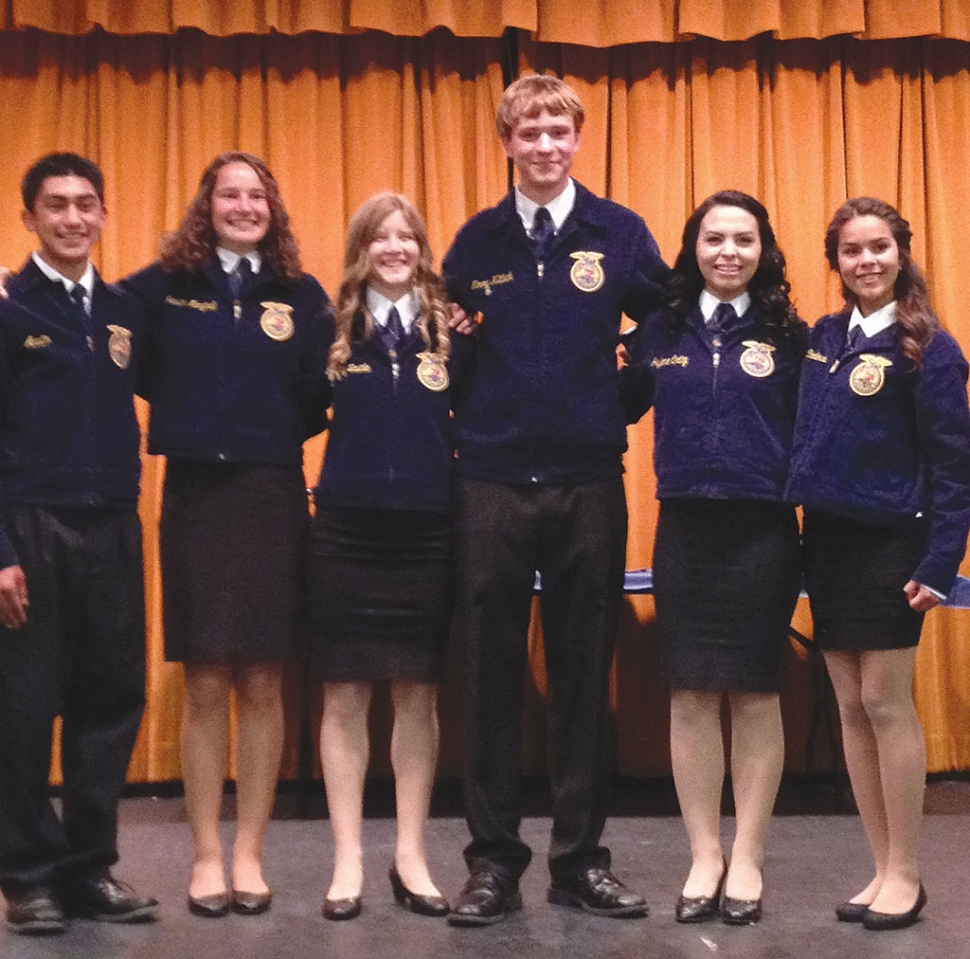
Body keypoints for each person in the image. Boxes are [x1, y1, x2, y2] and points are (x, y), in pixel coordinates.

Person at [441, 73, 668, 926]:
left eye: (557, 133)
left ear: (578, 139)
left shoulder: (619, 233)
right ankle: (493, 863)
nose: (543, 147)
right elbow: (448, 351)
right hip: (491, 481)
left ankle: (580, 860)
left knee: (583, 675)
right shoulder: (477, 242)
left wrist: (625, 395)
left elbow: (666, 319)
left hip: (586, 481)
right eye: (527, 133)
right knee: (490, 676)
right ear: (506, 141)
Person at [123, 152, 331, 918]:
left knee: (264, 681)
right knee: (207, 678)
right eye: (228, 194)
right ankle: (206, 853)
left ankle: (251, 851)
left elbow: (318, 396)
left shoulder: (302, 296)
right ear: (205, 205)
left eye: (255, 195)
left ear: (272, 207)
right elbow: (107, 334)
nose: (243, 206)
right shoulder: (163, 288)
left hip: (271, 491)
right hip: (197, 495)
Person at [787, 197, 970, 931]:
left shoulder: (931, 346)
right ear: (834, 261)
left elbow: (954, 465)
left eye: (879, 248)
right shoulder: (824, 337)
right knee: (850, 708)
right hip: (826, 541)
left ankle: (909, 873)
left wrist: (940, 558)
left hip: (895, 542)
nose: (866, 261)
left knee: (886, 702)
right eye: (851, 250)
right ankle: (878, 863)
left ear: (902, 253)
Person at [623, 191, 806, 925]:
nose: (727, 250)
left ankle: (750, 856)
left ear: (763, 249)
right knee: (692, 694)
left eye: (743, 238)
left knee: (756, 694)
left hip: (763, 532)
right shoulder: (657, 330)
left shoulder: (792, 335)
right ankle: (704, 853)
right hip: (686, 531)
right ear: (691, 247)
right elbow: (610, 401)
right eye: (713, 238)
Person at [0, 153, 157, 934]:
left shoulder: (125, 309)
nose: (72, 218)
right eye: (56, 205)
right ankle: (26, 874)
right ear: (29, 215)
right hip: (28, 526)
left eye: (86, 204)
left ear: (103, 214)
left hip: (113, 526)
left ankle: (89, 866)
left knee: (110, 701)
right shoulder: (7, 305)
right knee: (24, 708)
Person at [308, 192, 457, 921]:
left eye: (407, 237)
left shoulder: (451, 329)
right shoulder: (329, 326)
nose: (395, 248)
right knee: (344, 695)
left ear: (422, 248)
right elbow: (296, 408)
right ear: (360, 249)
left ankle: (410, 853)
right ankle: (347, 859)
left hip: (427, 531)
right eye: (381, 237)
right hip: (346, 532)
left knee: (418, 697)